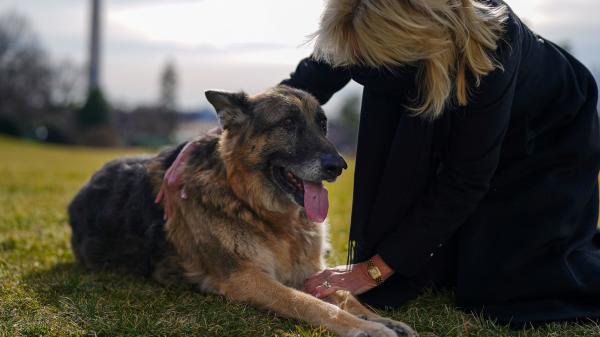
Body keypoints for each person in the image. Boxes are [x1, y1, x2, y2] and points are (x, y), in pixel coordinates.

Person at [157, 0, 600, 326]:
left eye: (369, 57)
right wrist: (211, 142)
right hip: (450, 96)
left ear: (411, 42)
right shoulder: (360, 17)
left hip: (546, 129)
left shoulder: (492, 51)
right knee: (433, 269)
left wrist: (373, 269)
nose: (357, 62)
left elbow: (466, 177)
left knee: (507, 287)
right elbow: (297, 88)